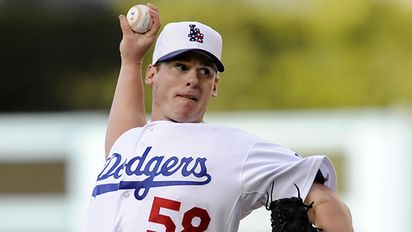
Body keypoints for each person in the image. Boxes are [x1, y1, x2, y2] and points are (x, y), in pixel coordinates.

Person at [84, 3, 353, 232]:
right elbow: (122, 136)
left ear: (214, 86)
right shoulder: (128, 143)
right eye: (181, 66)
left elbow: (325, 200)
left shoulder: (235, 148)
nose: (192, 79)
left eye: (204, 72)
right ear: (152, 74)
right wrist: (131, 60)